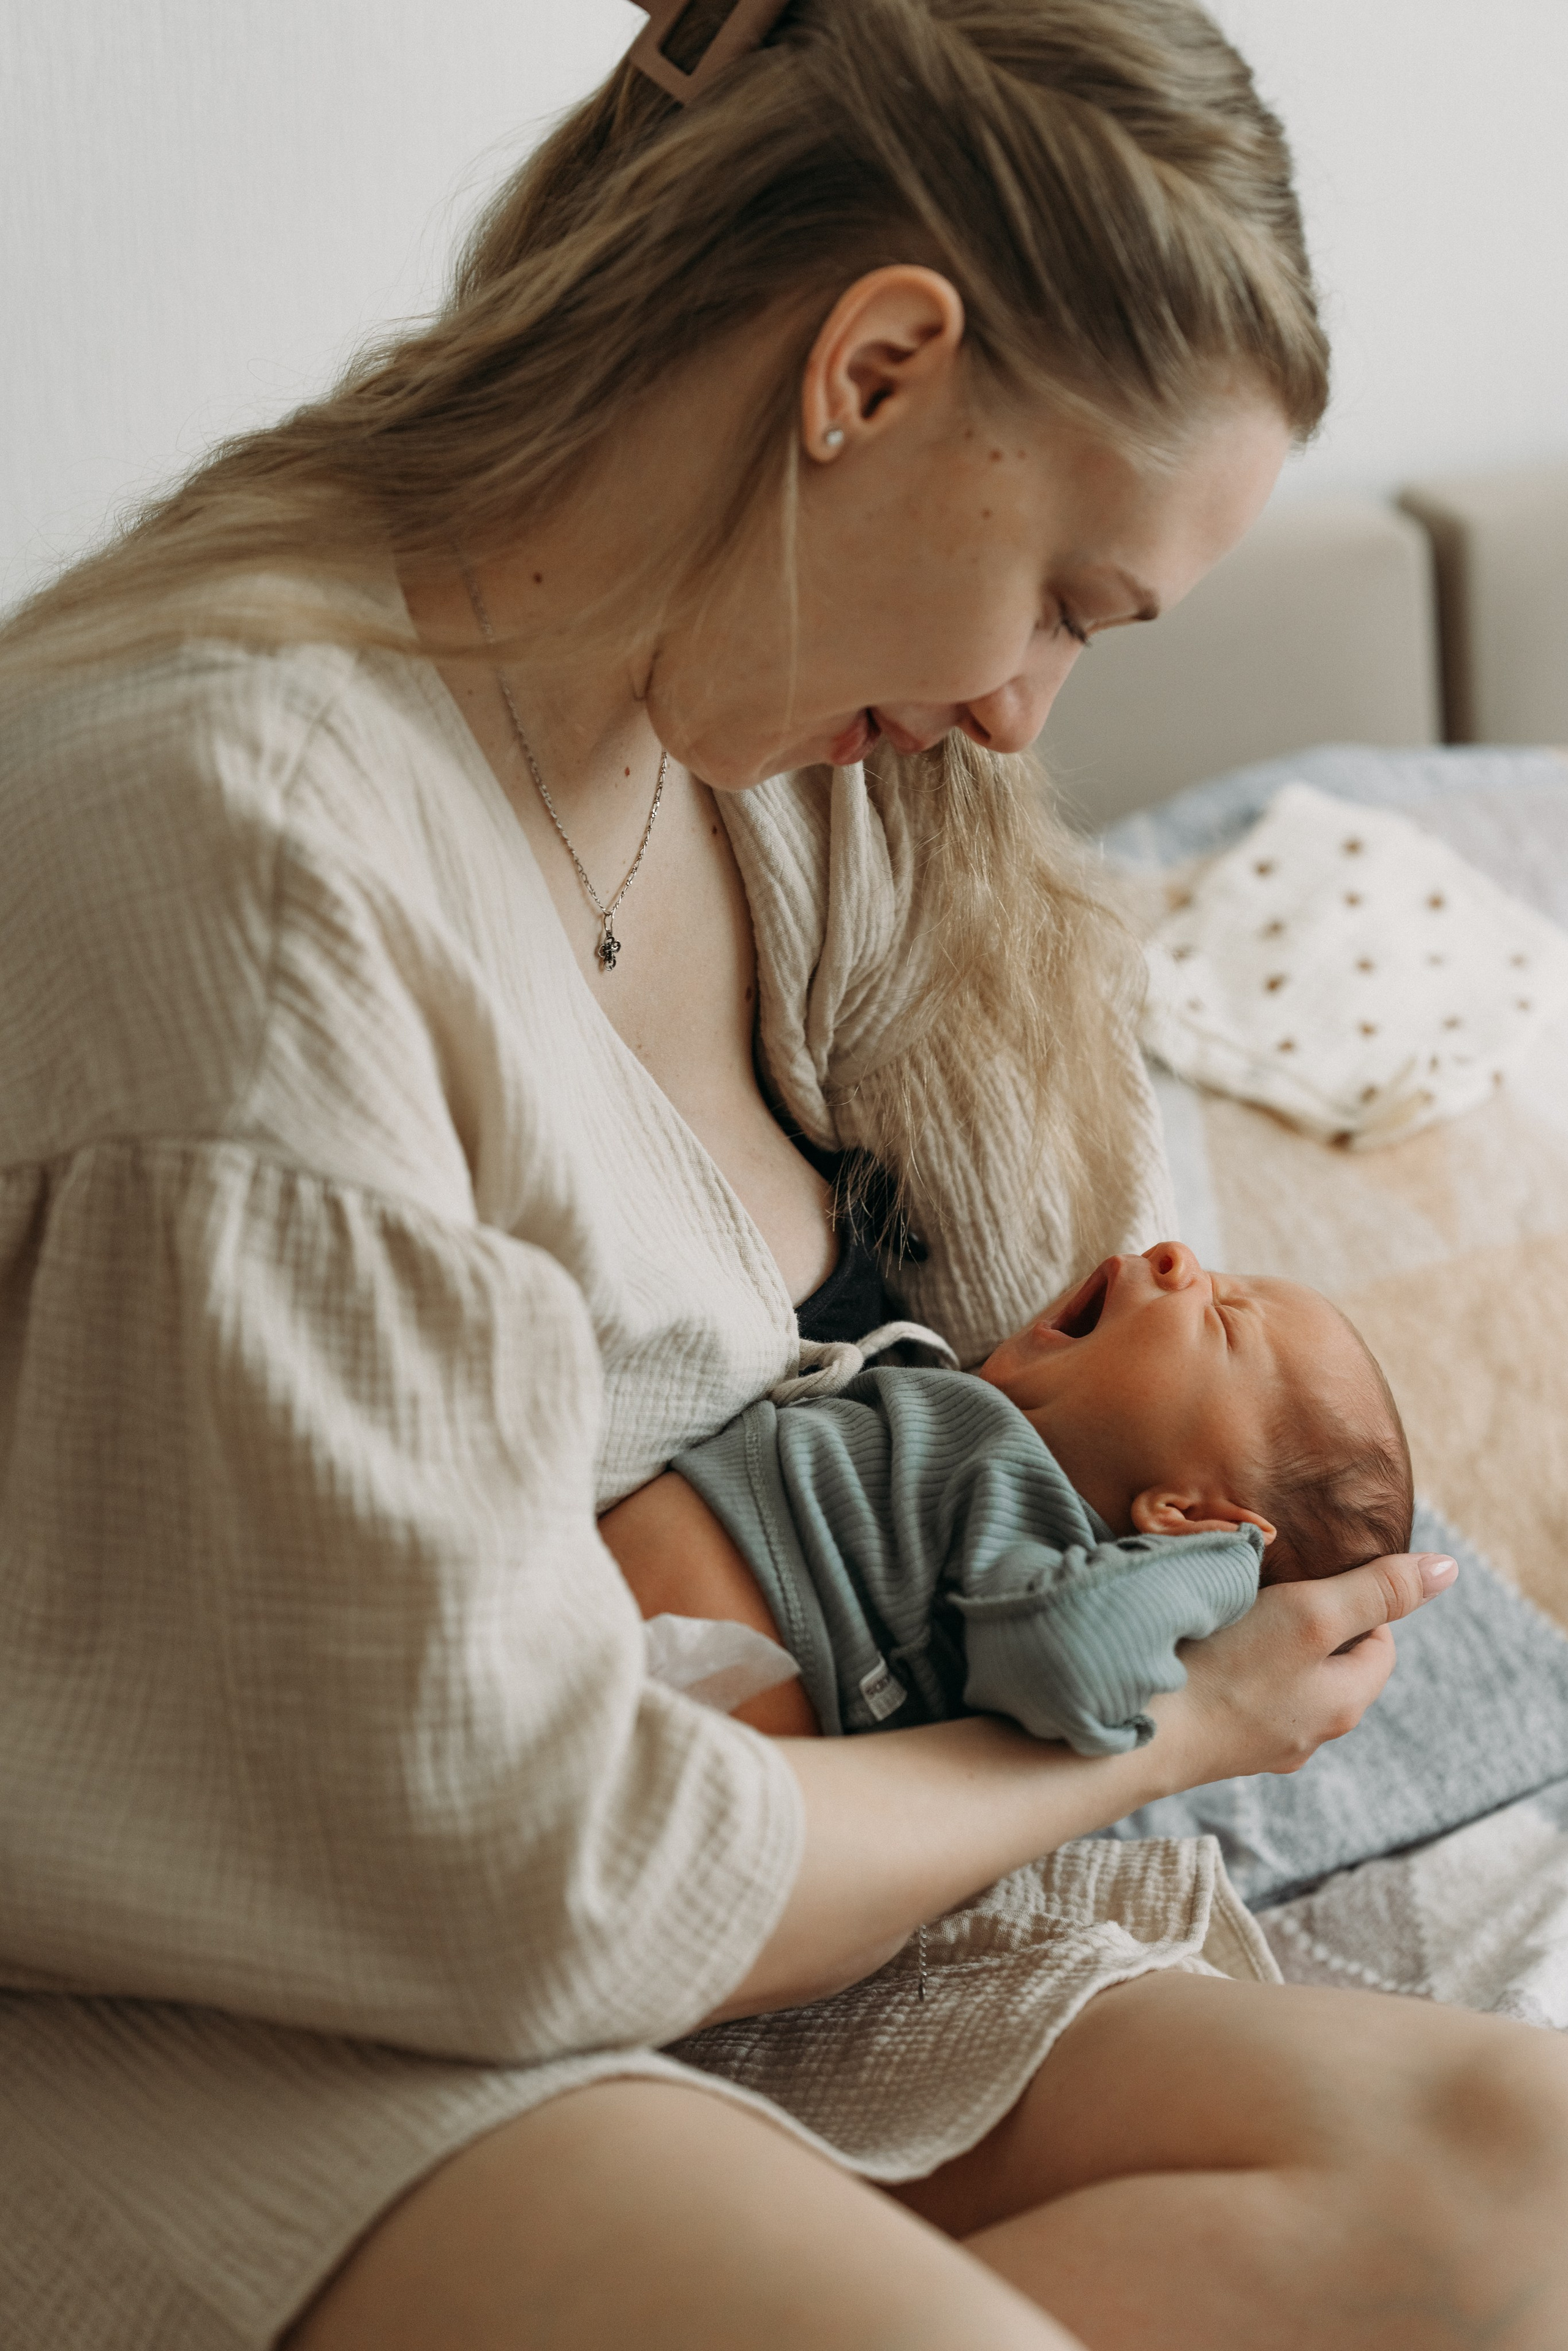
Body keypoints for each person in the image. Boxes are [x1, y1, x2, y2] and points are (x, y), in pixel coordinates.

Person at [1, 4, 1565, 2347]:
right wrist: (1192, 1724)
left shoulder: (804, 775)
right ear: (874, 370)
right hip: (271, 1997)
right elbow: (517, 1863)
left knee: (1528, 2186)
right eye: (1065, 596)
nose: (1034, 713)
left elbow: (1108, 1377)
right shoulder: (250, 845)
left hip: (753, 1932)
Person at [605, 1239, 1417, 1747]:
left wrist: (1231, 1561)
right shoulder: (969, 1417)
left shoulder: (1041, 1546)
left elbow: (1066, 1661)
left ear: (1185, 1515)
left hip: (652, 1734)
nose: (1180, 1258)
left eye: (1225, 1321)